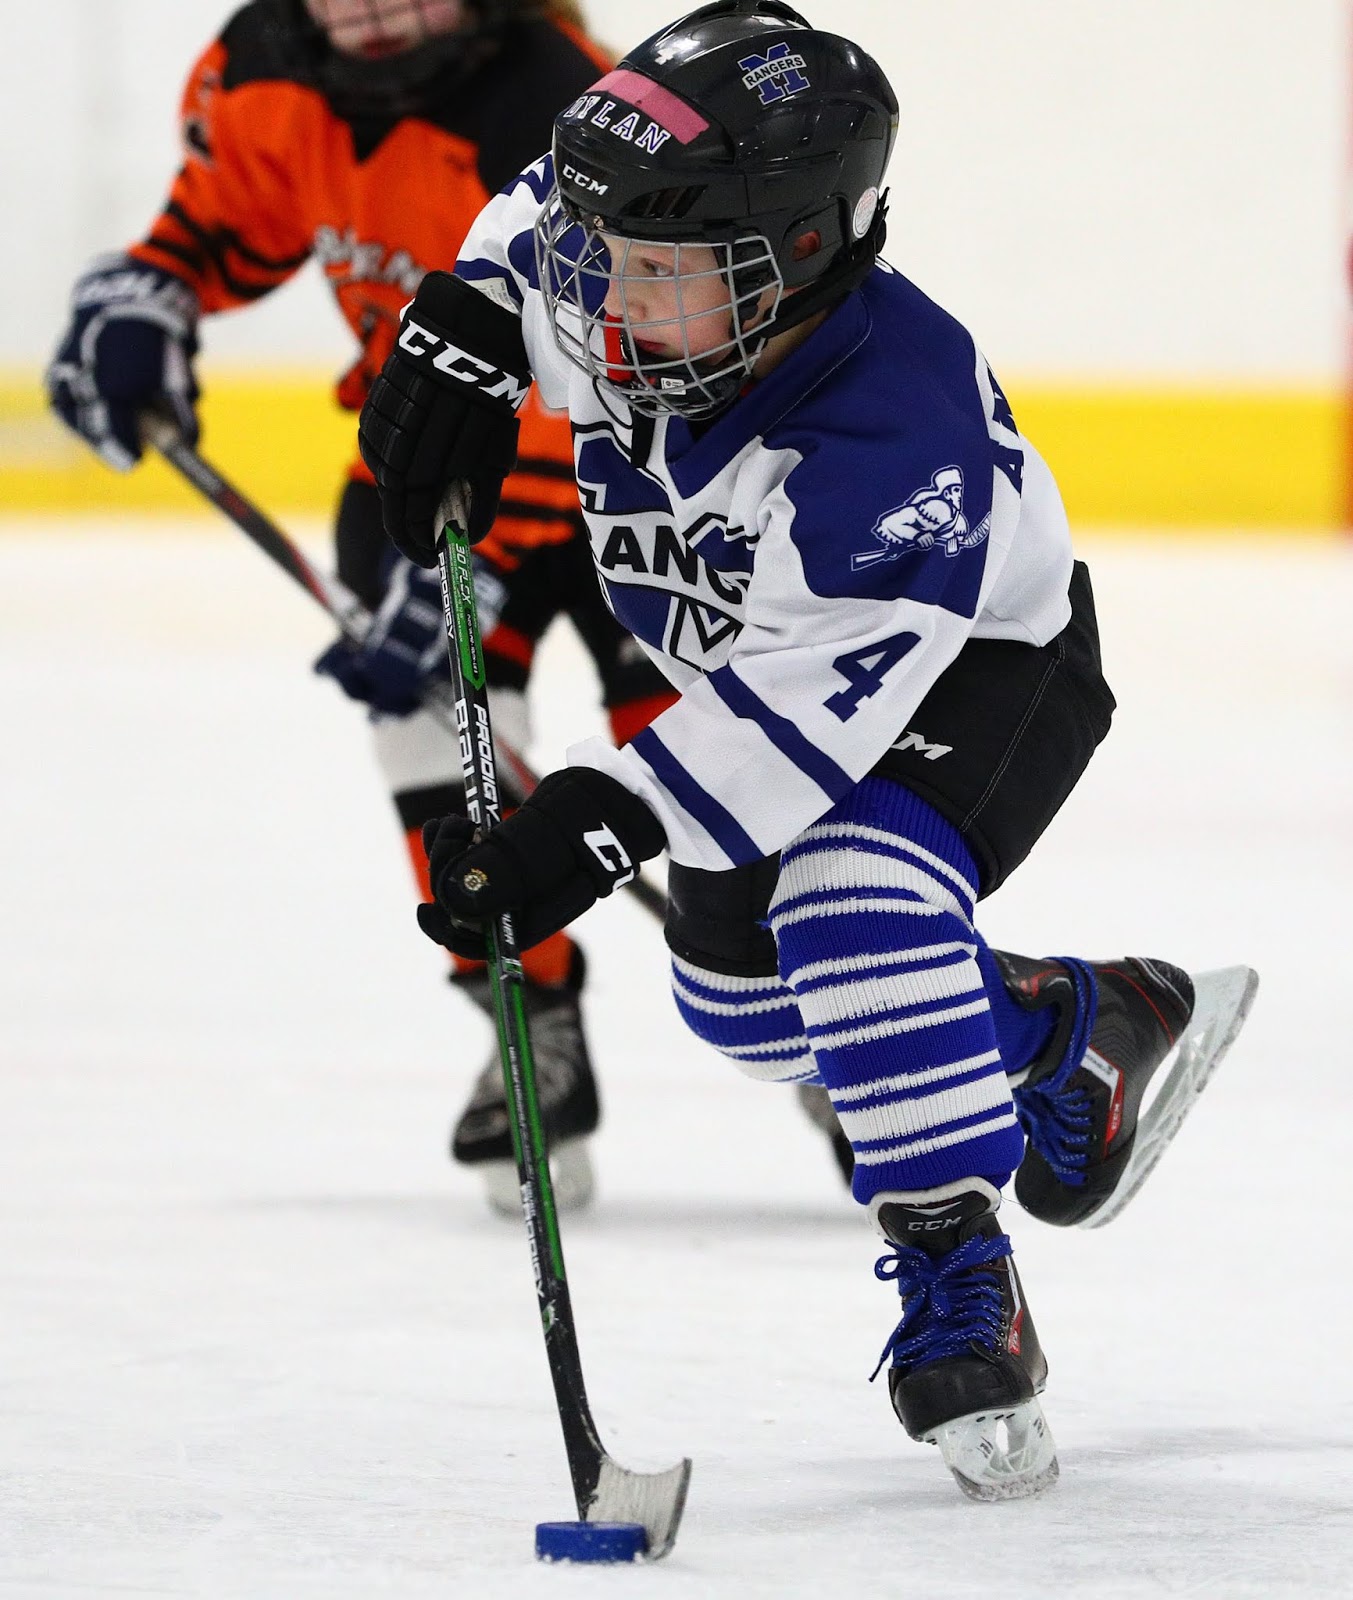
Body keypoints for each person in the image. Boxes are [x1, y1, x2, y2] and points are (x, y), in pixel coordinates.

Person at [354, 0, 1258, 1499]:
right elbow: (543, 217)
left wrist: (581, 820)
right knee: (750, 1013)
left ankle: (959, 1268)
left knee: (848, 896)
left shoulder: (890, 445)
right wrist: (458, 324)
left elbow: (791, 720)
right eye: (606, 268)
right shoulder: (650, 290)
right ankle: (1063, 1024)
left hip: (975, 669)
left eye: (663, 275)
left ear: (798, 260)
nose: (608, 310)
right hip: (752, 679)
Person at [44, 0, 687, 1210]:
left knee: (698, 777)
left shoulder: (555, 100)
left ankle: (813, 1008)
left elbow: (617, 346)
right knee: (434, 741)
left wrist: (482, 564)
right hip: (424, 457)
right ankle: (527, 1013)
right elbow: (229, 219)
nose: (375, 12)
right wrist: (150, 292)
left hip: (629, 489)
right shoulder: (262, 72)